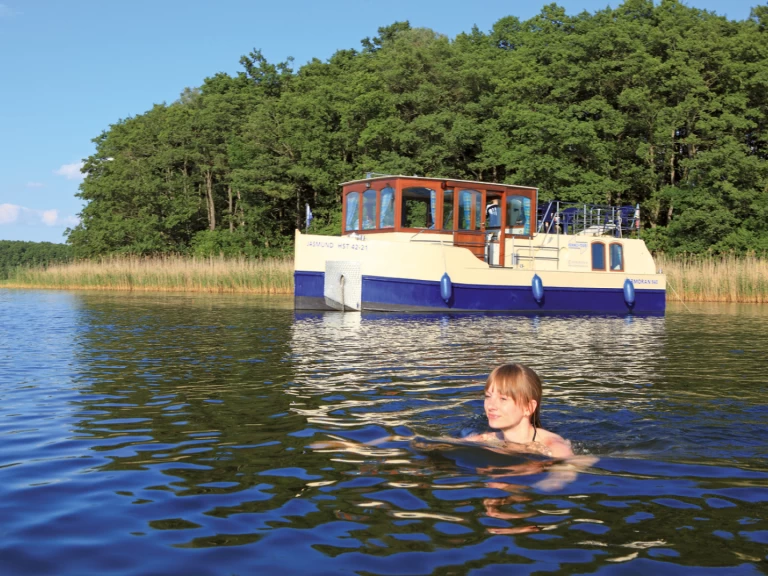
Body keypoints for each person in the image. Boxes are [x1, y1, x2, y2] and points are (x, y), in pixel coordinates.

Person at [465, 363, 573, 458]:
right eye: (488, 396)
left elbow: (571, 468)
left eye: (503, 399)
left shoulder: (552, 446)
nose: (491, 406)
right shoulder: (486, 439)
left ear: (528, 407)